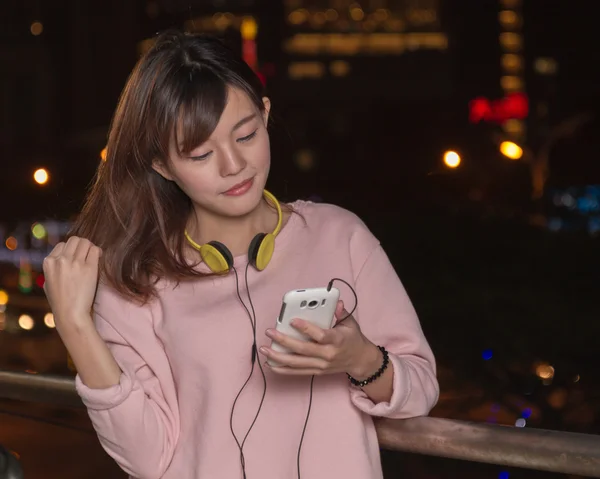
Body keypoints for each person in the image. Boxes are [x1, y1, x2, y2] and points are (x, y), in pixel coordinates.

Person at [42, 30, 439, 479]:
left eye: (246, 135)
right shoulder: (135, 283)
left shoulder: (340, 235)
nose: (233, 166)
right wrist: (76, 326)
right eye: (200, 153)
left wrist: (361, 359)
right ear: (160, 164)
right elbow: (146, 459)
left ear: (265, 114)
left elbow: (421, 389)